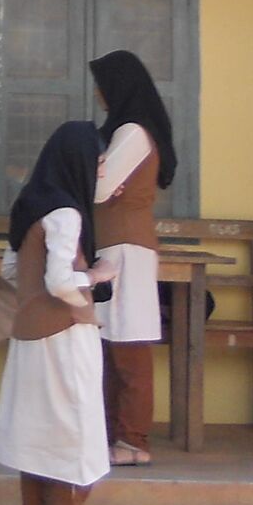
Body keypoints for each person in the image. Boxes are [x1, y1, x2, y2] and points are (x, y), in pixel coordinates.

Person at [0, 120, 117, 505]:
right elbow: (62, 282)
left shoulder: (31, 204)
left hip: (29, 343)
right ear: (78, 162)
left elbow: (9, 269)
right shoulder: (66, 211)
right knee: (73, 453)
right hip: (65, 342)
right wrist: (97, 276)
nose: (102, 170)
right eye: (98, 161)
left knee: (39, 452)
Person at [89, 50, 180, 466]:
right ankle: (116, 436)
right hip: (118, 245)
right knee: (113, 346)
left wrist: (94, 172)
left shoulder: (132, 132)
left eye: (102, 84)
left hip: (125, 249)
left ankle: (132, 441)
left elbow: (98, 189)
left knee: (128, 348)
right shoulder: (129, 131)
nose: (97, 92)